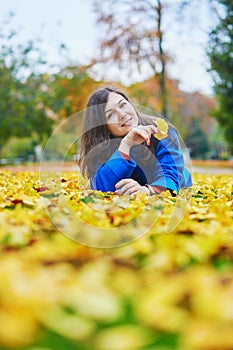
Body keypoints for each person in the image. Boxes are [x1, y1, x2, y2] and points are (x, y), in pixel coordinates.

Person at [80, 86, 192, 196]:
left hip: (177, 185)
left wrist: (148, 190)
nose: (122, 114)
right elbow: (100, 186)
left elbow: (170, 176)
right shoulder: (101, 147)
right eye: (111, 114)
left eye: (123, 105)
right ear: (103, 127)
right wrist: (126, 145)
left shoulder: (161, 131)